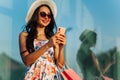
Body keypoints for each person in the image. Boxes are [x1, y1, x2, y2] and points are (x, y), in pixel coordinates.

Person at [19, 0, 66, 79]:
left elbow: (60, 65)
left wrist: (61, 48)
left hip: (52, 76)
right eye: (43, 14)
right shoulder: (24, 35)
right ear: (35, 16)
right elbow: (26, 61)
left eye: (49, 15)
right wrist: (47, 45)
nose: (46, 17)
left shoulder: (53, 38)